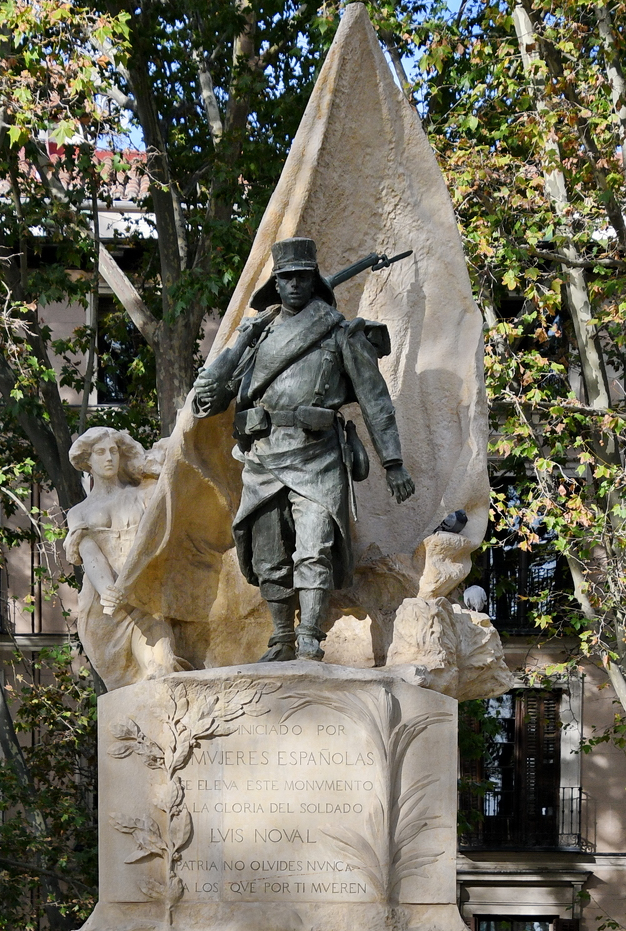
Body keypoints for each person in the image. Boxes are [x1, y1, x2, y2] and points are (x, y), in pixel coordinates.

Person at [193, 237, 415, 661]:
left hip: (318, 456)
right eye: (286, 278)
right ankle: (281, 638)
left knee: (313, 548)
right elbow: (206, 402)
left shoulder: (339, 332)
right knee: (269, 555)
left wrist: (393, 463)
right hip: (262, 459)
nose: (294, 285)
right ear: (275, 285)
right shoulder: (256, 339)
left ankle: (311, 635)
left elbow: (375, 399)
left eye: (302, 277)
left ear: (313, 282)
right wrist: (238, 342)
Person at [64, 427, 190, 690]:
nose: (109, 458)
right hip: (105, 607)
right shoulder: (79, 512)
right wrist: (108, 591)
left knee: (162, 668)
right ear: (88, 461)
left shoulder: (142, 495)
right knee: (123, 687)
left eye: (113, 451)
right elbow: (87, 551)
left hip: (146, 598)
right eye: (100, 452)